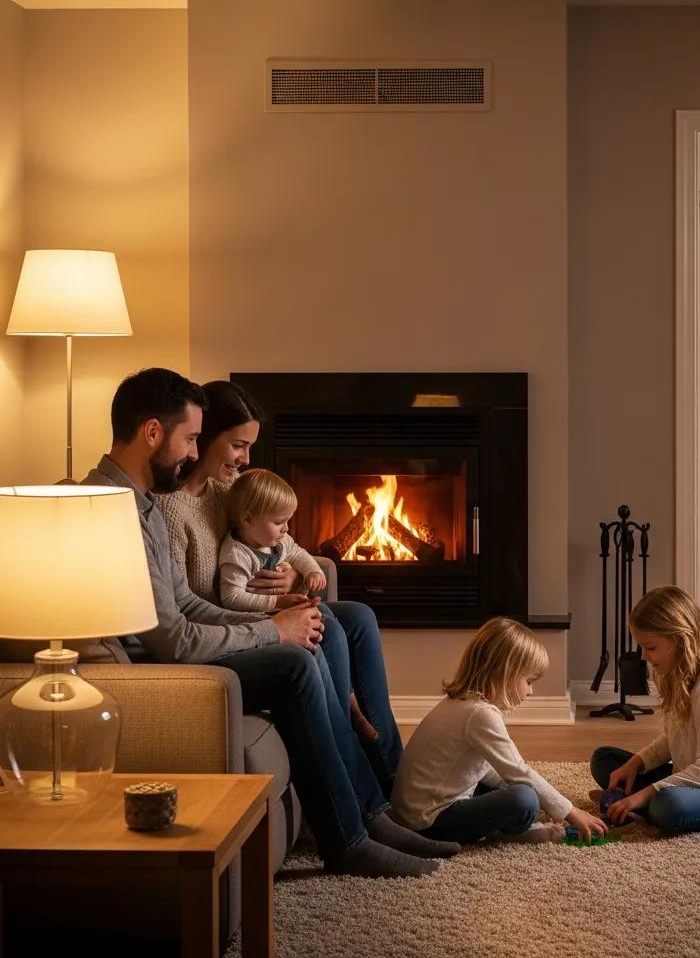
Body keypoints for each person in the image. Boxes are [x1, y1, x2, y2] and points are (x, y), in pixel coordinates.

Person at [84, 367, 457, 877]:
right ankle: (346, 840)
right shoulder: (106, 509)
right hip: (165, 675)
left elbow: (187, 607)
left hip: (180, 648)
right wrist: (272, 630)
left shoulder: (141, 504)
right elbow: (172, 639)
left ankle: (371, 813)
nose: (195, 452)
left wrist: (280, 614)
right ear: (153, 432)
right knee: (293, 664)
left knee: (309, 633)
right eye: (191, 438)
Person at [155, 379, 397, 785]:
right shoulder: (169, 511)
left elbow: (277, 538)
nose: (245, 459)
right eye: (237, 445)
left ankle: (397, 774)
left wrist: (293, 572)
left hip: (257, 607)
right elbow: (187, 611)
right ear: (205, 435)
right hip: (229, 625)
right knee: (330, 629)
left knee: (359, 615)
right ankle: (367, 778)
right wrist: (272, 615)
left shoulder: (228, 489)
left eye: (249, 447)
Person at [391, 617, 608, 844]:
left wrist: (551, 799)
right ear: (505, 673)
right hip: (429, 823)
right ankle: (503, 834)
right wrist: (571, 812)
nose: (531, 691)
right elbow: (518, 771)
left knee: (536, 789)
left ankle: (512, 815)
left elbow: (483, 770)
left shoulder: (461, 703)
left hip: (417, 812)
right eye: (529, 680)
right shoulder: (480, 714)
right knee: (525, 800)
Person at [590, 585, 700, 834]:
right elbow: (674, 737)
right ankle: (636, 805)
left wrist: (647, 793)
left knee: (667, 805)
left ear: (681, 640)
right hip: (689, 778)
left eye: (650, 648)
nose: (644, 656)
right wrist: (636, 763)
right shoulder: (675, 675)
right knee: (604, 760)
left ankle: (640, 806)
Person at [218, 467, 327, 611]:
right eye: (278, 522)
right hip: (268, 619)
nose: (286, 528)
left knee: (358, 613)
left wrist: (313, 571)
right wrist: (277, 601)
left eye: (287, 521)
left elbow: (298, 554)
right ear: (248, 519)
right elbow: (231, 598)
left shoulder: (280, 540)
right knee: (331, 627)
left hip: (290, 608)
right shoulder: (237, 555)